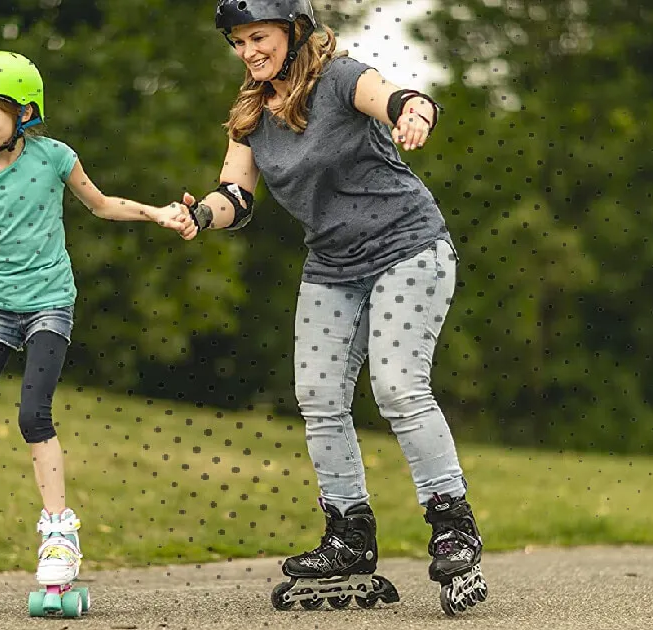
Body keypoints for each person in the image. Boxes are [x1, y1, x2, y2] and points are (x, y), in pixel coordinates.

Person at [175, 0, 488, 615]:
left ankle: (454, 525)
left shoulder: (339, 78)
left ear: (294, 32)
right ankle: (350, 535)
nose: (248, 52)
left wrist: (416, 111)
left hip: (409, 247)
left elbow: (396, 97)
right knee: (318, 396)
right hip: (334, 265)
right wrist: (198, 215)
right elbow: (236, 196)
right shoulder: (249, 114)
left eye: (257, 37)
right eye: (237, 43)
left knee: (399, 388)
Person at [0, 50, 190, 617]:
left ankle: (58, 535)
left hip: (50, 304)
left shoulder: (54, 158)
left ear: (23, 113)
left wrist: (156, 213)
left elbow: (100, 205)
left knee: (34, 415)